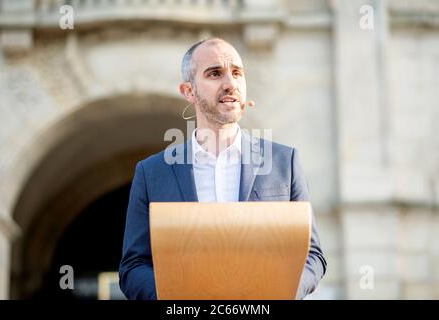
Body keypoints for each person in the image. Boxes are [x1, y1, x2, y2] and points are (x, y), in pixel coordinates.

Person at [119, 38, 327, 300]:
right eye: (215, 73)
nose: (230, 83)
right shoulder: (152, 173)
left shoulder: (285, 162)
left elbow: (313, 256)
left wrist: (277, 294)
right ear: (189, 91)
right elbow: (133, 267)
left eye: (237, 73)